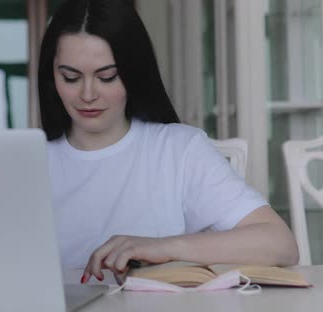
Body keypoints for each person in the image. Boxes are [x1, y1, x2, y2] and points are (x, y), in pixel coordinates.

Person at [38, 0, 299, 284]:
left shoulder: (178, 150)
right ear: (52, 77)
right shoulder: (31, 162)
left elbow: (280, 243)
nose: (88, 94)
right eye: (71, 77)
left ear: (133, 73)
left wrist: (162, 247)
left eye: (107, 77)